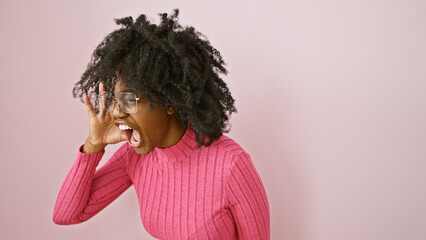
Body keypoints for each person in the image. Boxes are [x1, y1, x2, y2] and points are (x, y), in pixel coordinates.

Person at [52, 9, 270, 240]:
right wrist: (93, 145)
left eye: (128, 100)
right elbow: (66, 215)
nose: (115, 112)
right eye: (114, 101)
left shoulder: (231, 165)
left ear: (169, 102)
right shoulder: (134, 157)